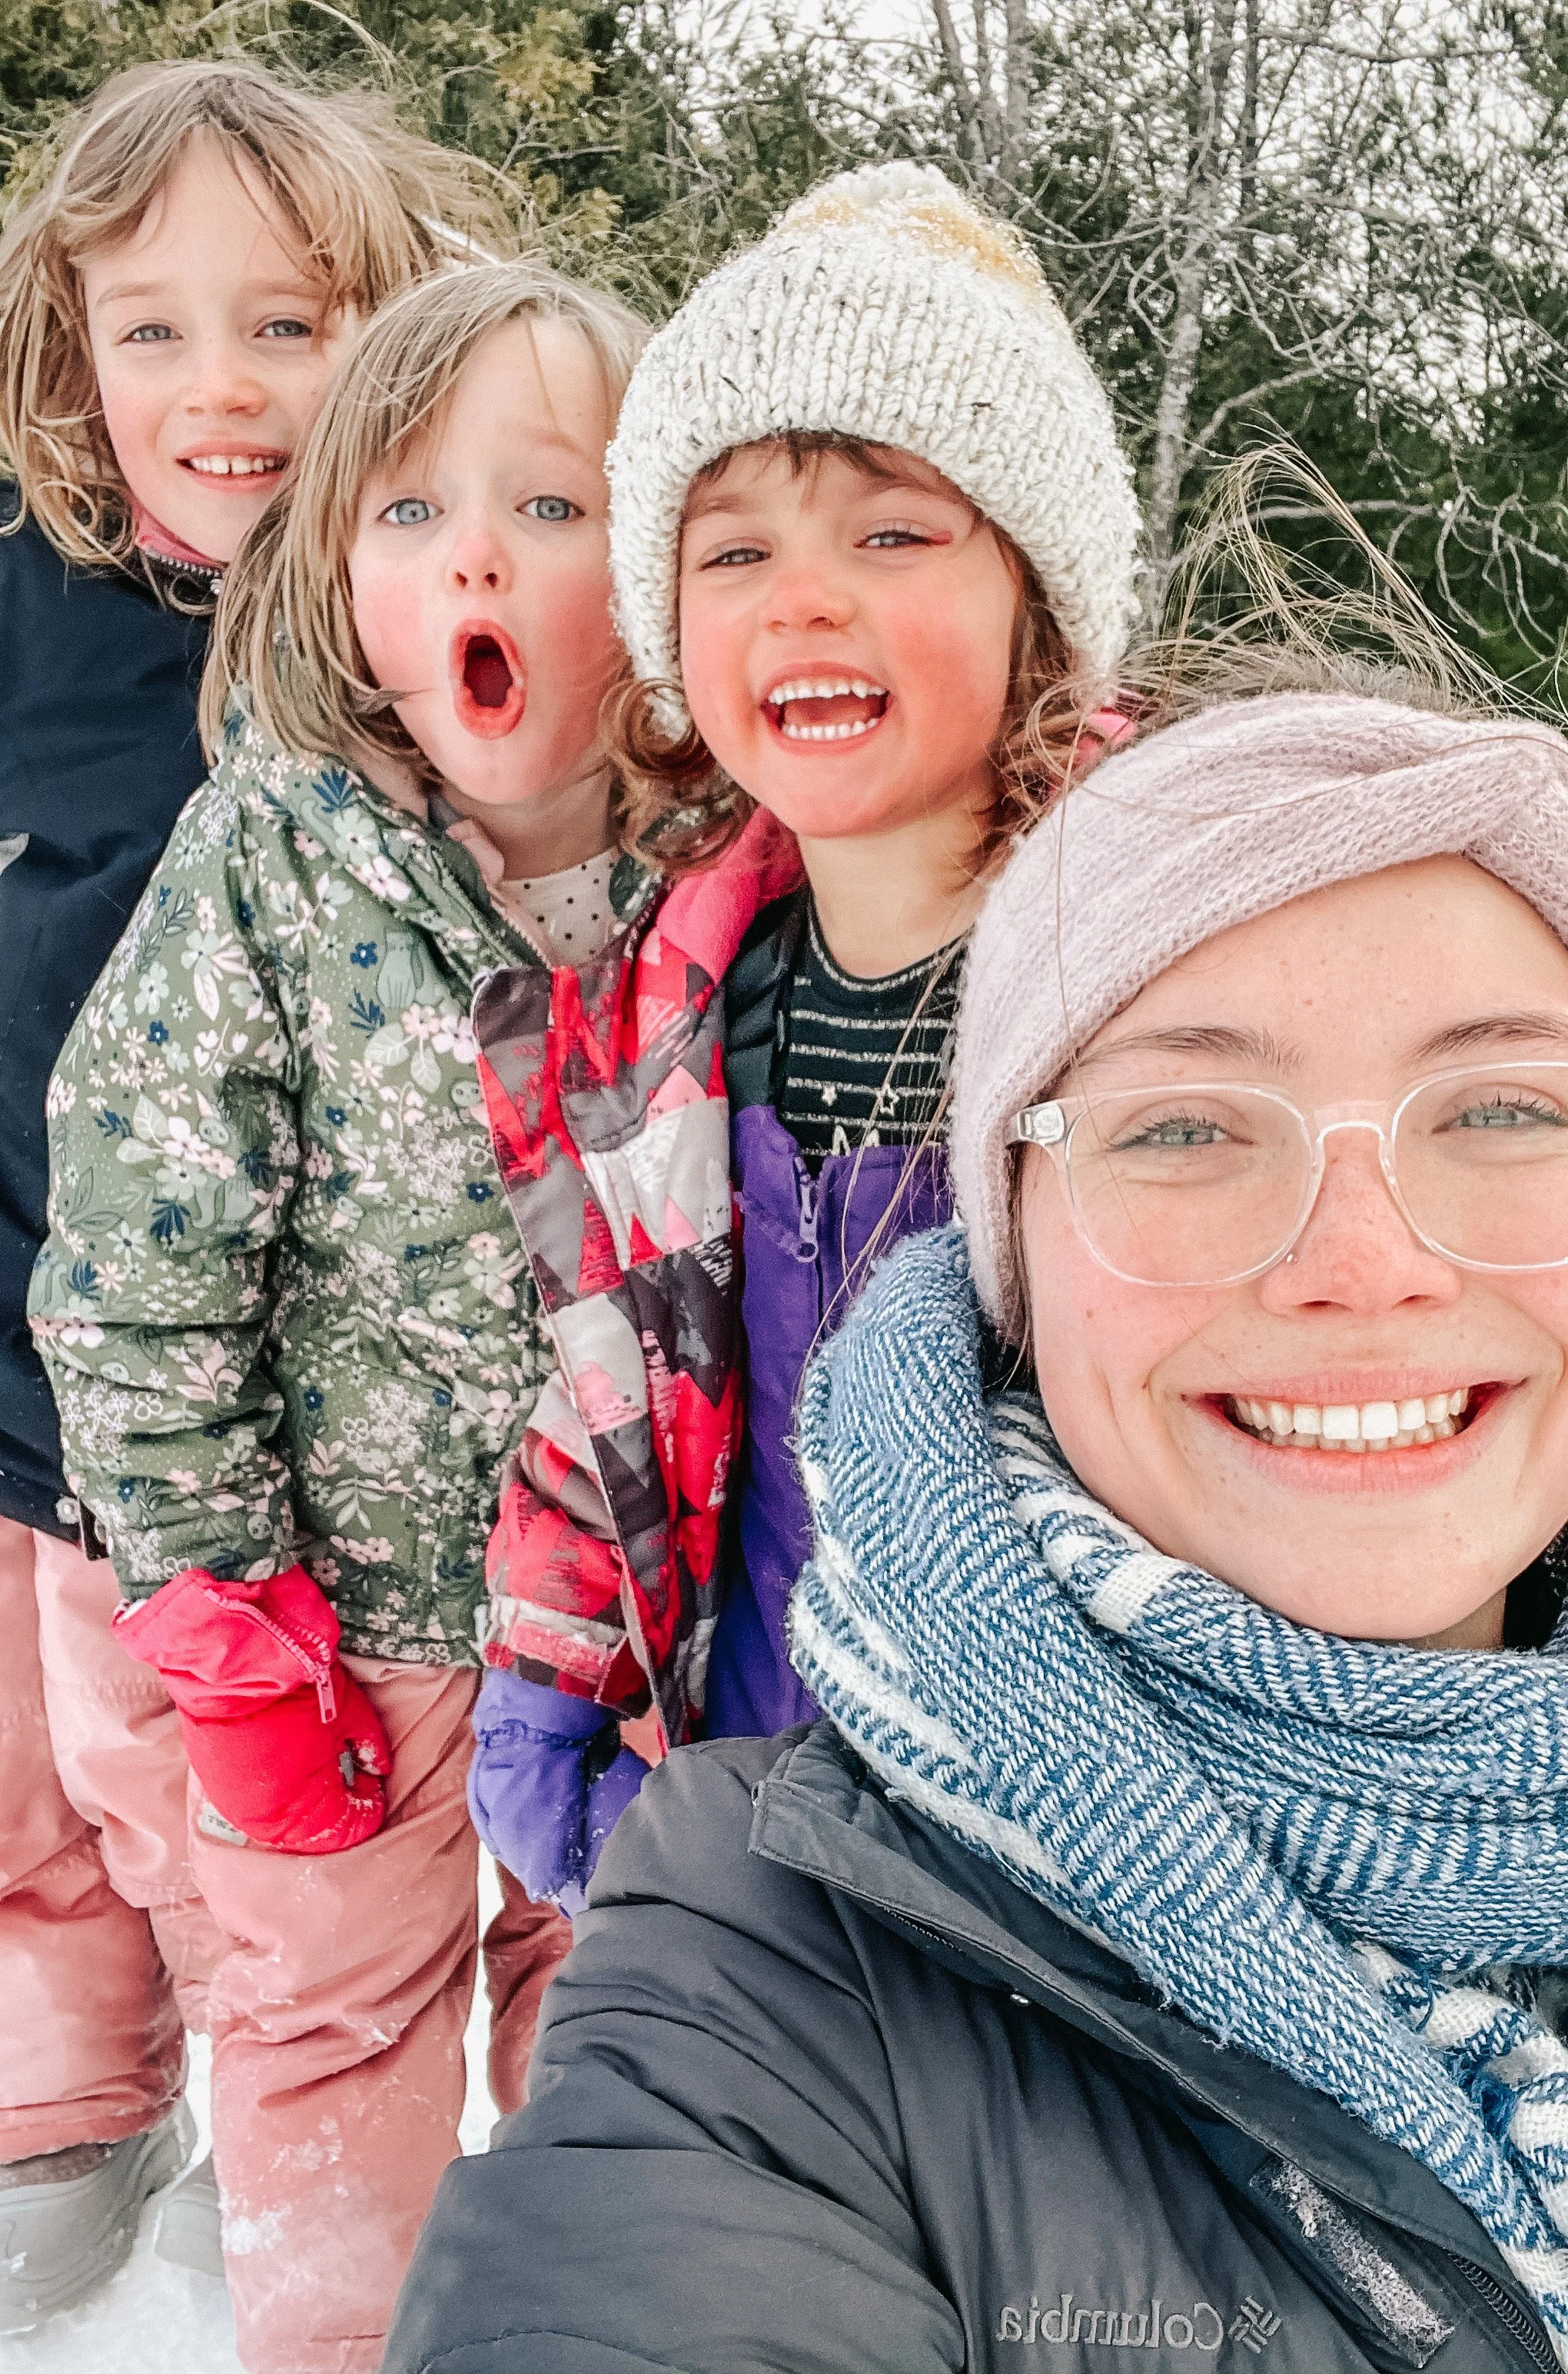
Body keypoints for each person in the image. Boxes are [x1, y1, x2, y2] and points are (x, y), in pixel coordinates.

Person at [385, 650, 1568, 2374]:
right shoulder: (771, 1955)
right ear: (1013, 1257)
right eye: (1185, 1125)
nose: (1363, 1265)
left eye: (1503, 1106)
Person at [27, 258, 646, 2372]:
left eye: (549, 506)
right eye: (407, 510)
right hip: (348, 1640)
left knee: (646, 2039)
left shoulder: (733, 868)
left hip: (634, 1635)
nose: (472, 547)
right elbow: (135, 1263)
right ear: (341, 584)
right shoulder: (271, 865)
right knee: (323, 2038)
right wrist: (216, 1607)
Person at [465, 161, 1141, 1912]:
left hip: (1090, 1831)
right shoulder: (665, 1007)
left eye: (893, 530)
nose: (804, 594)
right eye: (736, 548)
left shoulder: (1150, 979)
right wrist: (550, 1669)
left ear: (1039, 600)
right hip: (764, 1771)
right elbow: (615, 1376)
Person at [0, 56, 505, 2331]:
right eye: (153, 328)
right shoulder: (24, 600)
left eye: (289, 324)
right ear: (67, 343)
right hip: (32, 1340)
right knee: (40, 1809)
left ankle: (376, 2139)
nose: (218, 391)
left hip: (332, 1400)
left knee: (270, 1814)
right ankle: (71, 2126)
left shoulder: (425, 601)